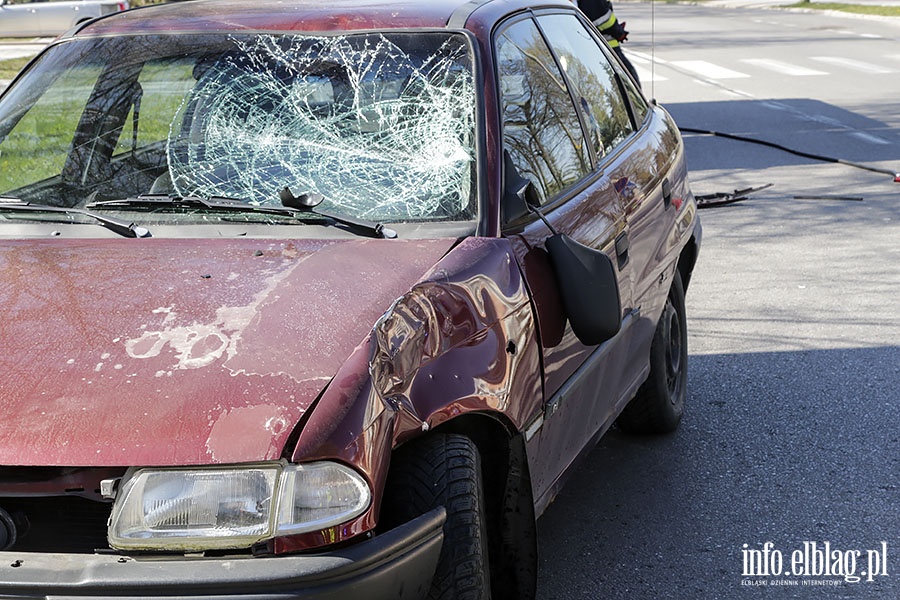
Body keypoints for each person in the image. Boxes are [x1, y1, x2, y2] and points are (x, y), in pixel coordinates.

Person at [577, 0, 641, 87]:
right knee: (629, 81)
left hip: (600, 46)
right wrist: (619, 32)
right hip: (605, 47)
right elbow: (603, 19)